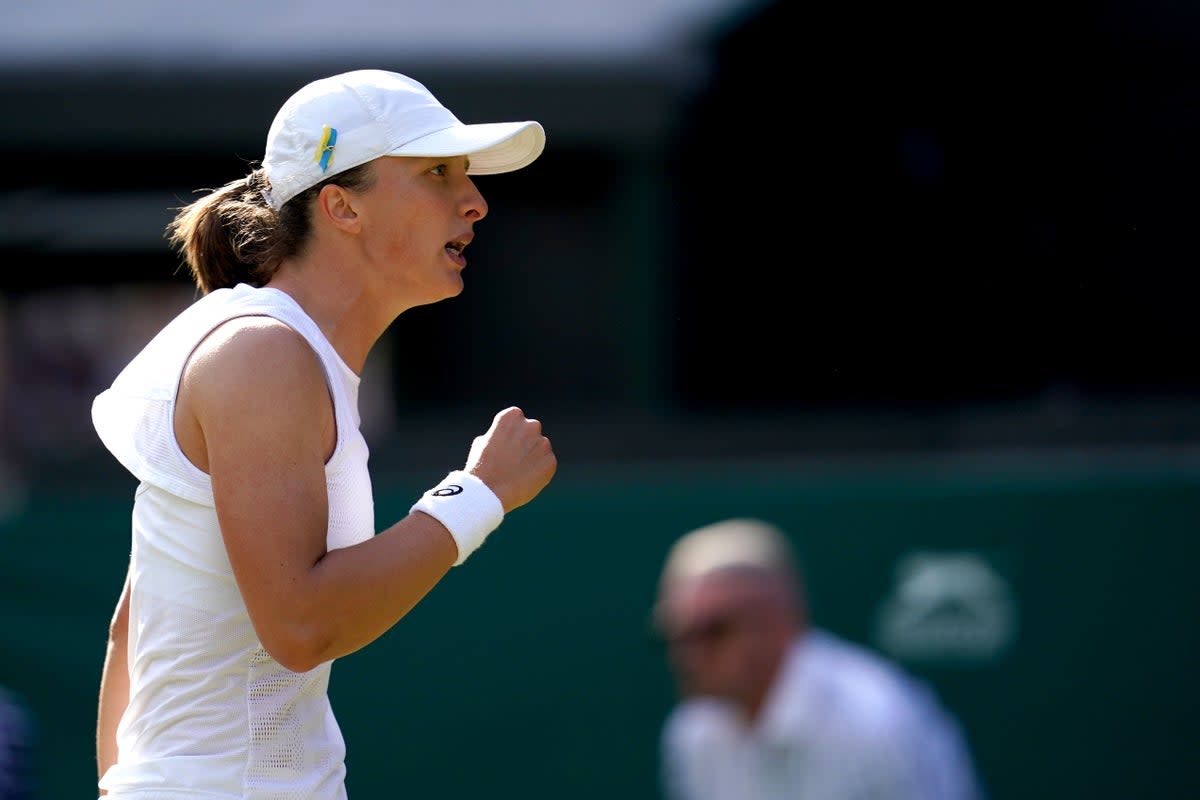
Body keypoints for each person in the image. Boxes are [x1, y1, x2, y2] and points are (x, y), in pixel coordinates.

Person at [89, 69, 557, 798]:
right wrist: (479, 496)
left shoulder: (285, 354)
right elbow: (301, 626)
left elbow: (133, 629)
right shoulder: (261, 355)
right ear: (341, 206)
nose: (474, 201)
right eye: (437, 172)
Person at [652, 518, 984, 800]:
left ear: (777, 623)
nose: (690, 654)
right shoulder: (691, 732)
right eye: (677, 634)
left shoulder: (878, 721)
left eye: (715, 630)